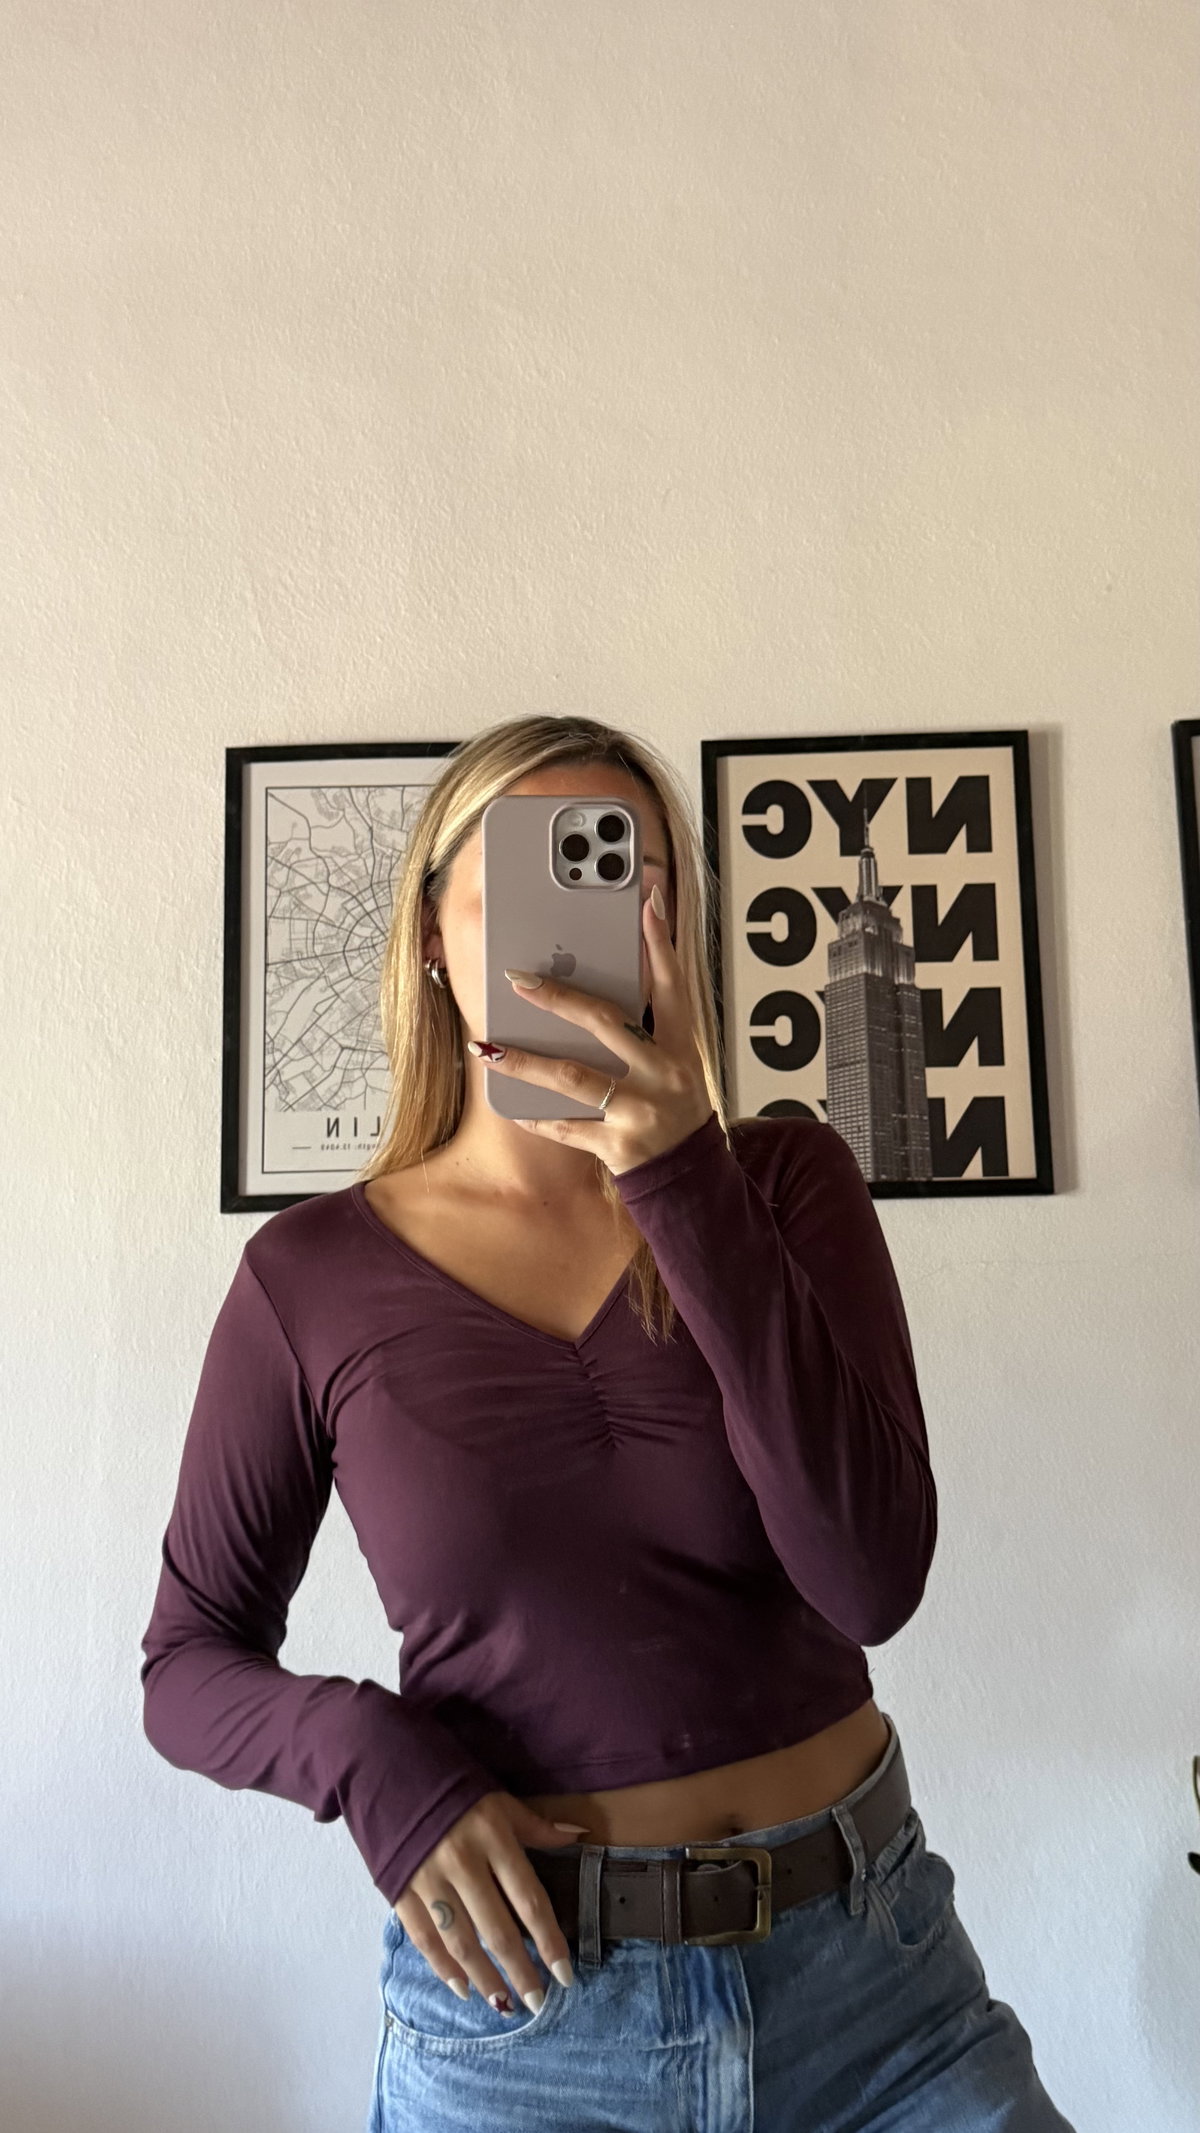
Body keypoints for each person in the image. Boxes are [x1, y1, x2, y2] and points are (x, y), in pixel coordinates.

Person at [140, 715, 1077, 2131]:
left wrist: (684, 1177)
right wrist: (370, 1756)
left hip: (878, 1998)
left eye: (633, 882)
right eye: (532, 881)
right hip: (526, 2026)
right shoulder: (309, 1277)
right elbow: (185, 1663)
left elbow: (871, 1580)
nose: (583, 931)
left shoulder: (785, 1184)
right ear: (434, 937)